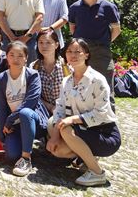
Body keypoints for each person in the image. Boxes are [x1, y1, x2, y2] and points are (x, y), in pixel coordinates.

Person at [46, 38, 121, 187]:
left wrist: (72, 119)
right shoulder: (67, 81)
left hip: (104, 134)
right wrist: (54, 137)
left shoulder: (97, 80)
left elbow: (100, 113)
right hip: (83, 130)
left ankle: (97, 173)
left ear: (86, 55)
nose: (73, 55)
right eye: (69, 51)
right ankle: (86, 159)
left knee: (66, 128)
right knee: (58, 149)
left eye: (78, 52)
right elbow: (60, 109)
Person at [0, 41, 49, 177]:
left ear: (26, 58)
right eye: (12, 55)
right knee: (11, 155)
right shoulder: (1, 78)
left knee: (25, 112)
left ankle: (26, 159)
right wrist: (2, 136)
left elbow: (30, 103)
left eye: (20, 56)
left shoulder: (33, 75)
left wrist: (9, 121)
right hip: (15, 125)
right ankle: (23, 147)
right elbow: (1, 108)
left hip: (34, 122)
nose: (16, 59)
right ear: (7, 57)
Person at [68, 0, 121, 110]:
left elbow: (116, 30)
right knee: (79, 86)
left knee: (105, 87)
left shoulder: (108, 7)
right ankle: (80, 118)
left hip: (101, 53)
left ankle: (108, 120)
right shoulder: (74, 7)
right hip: (79, 53)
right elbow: (73, 28)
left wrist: (103, 42)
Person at [30, 29, 72, 116]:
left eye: (48, 42)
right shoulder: (33, 67)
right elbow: (33, 94)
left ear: (56, 45)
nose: (44, 46)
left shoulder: (67, 66)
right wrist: (50, 107)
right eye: (41, 42)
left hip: (65, 111)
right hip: (42, 111)